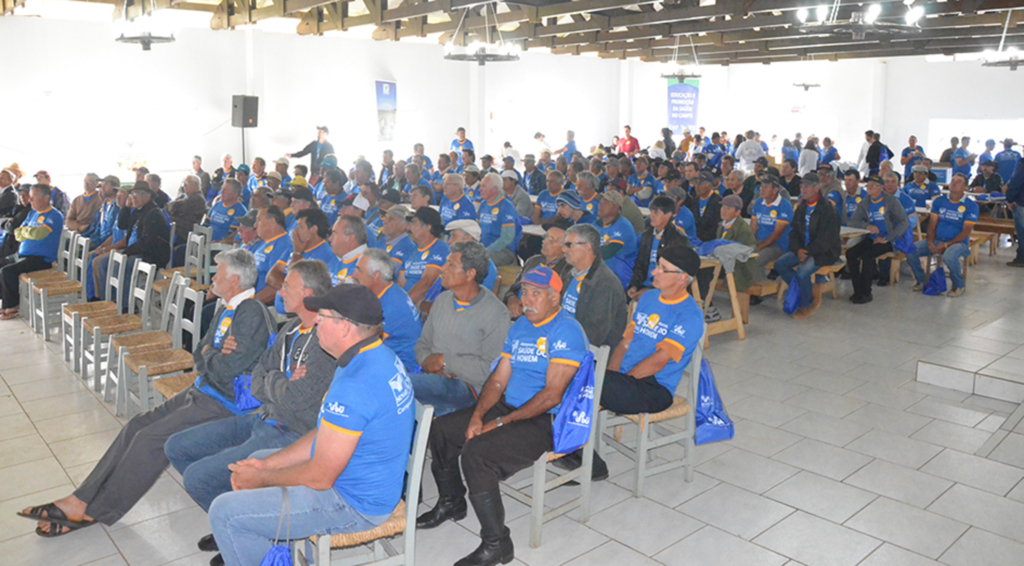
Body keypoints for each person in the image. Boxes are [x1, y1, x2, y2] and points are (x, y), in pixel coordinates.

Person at [21, 249, 271, 536]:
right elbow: (198, 354)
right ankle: (81, 497)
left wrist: (208, 354)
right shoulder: (230, 307)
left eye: (219, 273)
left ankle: (94, 510)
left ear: (235, 280)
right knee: (136, 425)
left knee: (149, 440)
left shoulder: (251, 313)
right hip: (203, 389)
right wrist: (212, 353)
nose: (213, 278)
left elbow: (225, 371)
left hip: (224, 403)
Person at [208, 284, 414, 566]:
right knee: (258, 460)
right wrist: (266, 468)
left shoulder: (356, 384)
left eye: (323, 315)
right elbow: (326, 433)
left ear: (345, 328)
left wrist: (261, 478)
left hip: (354, 504)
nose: (315, 320)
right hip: (364, 480)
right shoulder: (373, 355)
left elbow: (320, 477)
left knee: (224, 513)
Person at [416, 266, 589, 566]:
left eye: (536, 293)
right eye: (524, 292)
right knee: (442, 430)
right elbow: (497, 381)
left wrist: (499, 423)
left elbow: (552, 395)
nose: (527, 300)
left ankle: (497, 543)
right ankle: (452, 502)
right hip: (510, 407)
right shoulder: (520, 327)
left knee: (477, 454)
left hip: (546, 419)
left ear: (555, 298)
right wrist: (478, 416)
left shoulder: (566, 330)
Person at [164, 260, 334, 563]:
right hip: (263, 418)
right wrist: (278, 381)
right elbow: (257, 377)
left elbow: (297, 399)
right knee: (176, 447)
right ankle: (238, 525)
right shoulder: (292, 327)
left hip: (292, 435)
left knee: (197, 478)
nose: (279, 291)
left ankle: (246, 531)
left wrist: (273, 380)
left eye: (287, 286)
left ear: (307, 293)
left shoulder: (324, 340)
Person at [411, 240, 510, 416]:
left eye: (451, 265)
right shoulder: (442, 301)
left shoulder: (496, 313)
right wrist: (430, 364)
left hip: (468, 387)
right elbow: (422, 343)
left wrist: (444, 361)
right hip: (434, 377)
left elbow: (490, 369)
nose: (443, 269)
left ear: (470, 274)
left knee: (398, 385)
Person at [606, 243, 703, 414]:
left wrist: (616, 383)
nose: (653, 272)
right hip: (624, 377)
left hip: (654, 387)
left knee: (587, 388)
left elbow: (658, 361)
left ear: (682, 278)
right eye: (657, 265)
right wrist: (609, 376)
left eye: (663, 269)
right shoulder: (648, 298)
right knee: (575, 372)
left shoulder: (690, 316)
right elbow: (625, 344)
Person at [775, 174, 842, 319]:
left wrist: (808, 251)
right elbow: (793, 232)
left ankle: (806, 304)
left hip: (824, 252)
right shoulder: (801, 207)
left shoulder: (828, 209)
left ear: (817, 188)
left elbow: (827, 239)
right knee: (780, 264)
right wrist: (798, 249)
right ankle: (806, 291)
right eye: (801, 186)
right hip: (802, 249)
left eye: (806, 186)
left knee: (802, 273)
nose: (802, 189)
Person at [906, 173, 978, 295]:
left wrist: (946, 245)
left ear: (965, 188)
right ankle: (922, 280)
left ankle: (958, 285)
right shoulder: (940, 201)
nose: (954, 183)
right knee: (911, 251)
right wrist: (930, 242)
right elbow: (932, 225)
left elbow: (966, 231)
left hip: (958, 243)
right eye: (953, 180)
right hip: (937, 239)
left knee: (949, 256)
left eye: (959, 181)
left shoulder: (971, 206)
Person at [351, 247, 421, 372]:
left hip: (403, 369)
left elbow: (366, 346)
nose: (354, 275)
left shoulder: (391, 306)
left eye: (359, 270)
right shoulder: (386, 291)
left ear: (376, 276)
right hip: (388, 359)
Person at [561, 223, 628, 351]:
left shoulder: (605, 284)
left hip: (586, 352)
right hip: (564, 339)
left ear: (587, 247)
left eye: (569, 245)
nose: (564, 249)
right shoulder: (570, 273)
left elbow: (594, 335)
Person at [0, 184, 64, 318]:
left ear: (46, 198)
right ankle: (5, 303)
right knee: (2, 264)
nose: (30, 201)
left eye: (33, 197)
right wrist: (30, 232)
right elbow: (17, 233)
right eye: (30, 197)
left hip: (40, 259)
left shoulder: (55, 215)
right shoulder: (32, 213)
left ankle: (12, 306)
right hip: (22, 254)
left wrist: (27, 232)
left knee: (7, 271)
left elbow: (40, 234)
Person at [846, 175, 909, 304]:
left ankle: (866, 292)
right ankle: (858, 290)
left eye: (872, 186)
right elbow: (852, 222)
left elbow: (904, 222)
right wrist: (866, 226)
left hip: (889, 239)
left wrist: (887, 238)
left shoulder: (891, 201)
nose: (869, 188)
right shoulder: (865, 203)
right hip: (871, 238)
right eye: (867, 186)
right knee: (850, 253)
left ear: (880, 188)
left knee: (867, 256)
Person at [504, 219, 572, 318]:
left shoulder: (567, 272)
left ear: (564, 248)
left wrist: (525, 309)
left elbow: (558, 305)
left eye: (551, 241)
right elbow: (513, 289)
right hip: (516, 314)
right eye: (545, 237)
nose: (544, 241)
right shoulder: (533, 261)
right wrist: (512, 299)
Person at [628, 196, 689, 299]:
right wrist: (634, 285)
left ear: (668, 215)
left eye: (656, 213)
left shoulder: (679, 239)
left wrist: (650, 290)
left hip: (666, 288)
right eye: (651, 212)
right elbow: (640, 265)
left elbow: (674, 275)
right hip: (645, 286)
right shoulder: (647, 235)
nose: (651, 216)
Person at [401, 206, 448, 305]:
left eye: (414, 223)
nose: (409, 228)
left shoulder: (440, 249)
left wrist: (404, 306)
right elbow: (400, 282)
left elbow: (427, 282)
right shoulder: (411, 250)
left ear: (428, 227)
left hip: (423, 306)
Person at [750, 174, 794, 281]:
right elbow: (753, 228)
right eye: (761, 186)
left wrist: (757, 248)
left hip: (777, 245)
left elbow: (776, 235)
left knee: (755, 260)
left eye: (766, 187)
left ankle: (761, 290)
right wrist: (749, 243)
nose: (761, 189)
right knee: (739, 254)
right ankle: (743, 287)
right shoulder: (759, 203)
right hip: (760, 241)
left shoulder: (784, 206)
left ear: (775, 190)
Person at [595, 190, 640, 288]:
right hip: (603, 270)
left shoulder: (623, 225)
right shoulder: (596, 224)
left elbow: (608, 252)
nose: (600, 205)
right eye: (600, 201)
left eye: (606, 203)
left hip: (620, 275)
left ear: (617, 207)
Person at [479, 172, 521, 267]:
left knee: (478, 261)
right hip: (483, 248)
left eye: (484, 186)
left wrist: (485, 251)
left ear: (494, 189)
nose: (480, 189)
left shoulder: (506, 207)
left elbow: (506, 238)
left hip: (503, 251)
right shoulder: (483, 204)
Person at [326, 215, 368, 286]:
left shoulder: (367, 266)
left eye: (335, 233)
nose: (330, 239)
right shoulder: (337, 256)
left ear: (350, 238)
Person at [64, 173, 104, 244]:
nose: (86, 184)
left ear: (97, 184)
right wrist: (79, 227)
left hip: (92, 233)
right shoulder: (77, 200)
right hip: (76, 232)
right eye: (85, 181)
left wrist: (88, 227)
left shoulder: (100, 198)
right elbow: (68, 220)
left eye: (89, 182)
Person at [205, 179, 247, 244]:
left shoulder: (240, 211)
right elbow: (206, 223)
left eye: (226, 190)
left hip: (220, 247)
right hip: (205, 241)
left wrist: (218, 243)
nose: (221, 192)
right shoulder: (218, 204)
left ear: (235, 194)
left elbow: (232, 235)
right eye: (222, 189)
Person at [688, 171, 723, 244]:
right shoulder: (694, 201)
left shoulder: (718, 202)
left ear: (709, 186)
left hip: (710, 242)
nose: (696, 186)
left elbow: (716, 226)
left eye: (700, 183)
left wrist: (702, 238)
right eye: (696, 183)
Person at [1005, 157, 1024, 267]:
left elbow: (1016, 182)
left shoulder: (1022, 166)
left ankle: (1022, 258)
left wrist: (1010, 199)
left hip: (1021, 203)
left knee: (1022, 232)